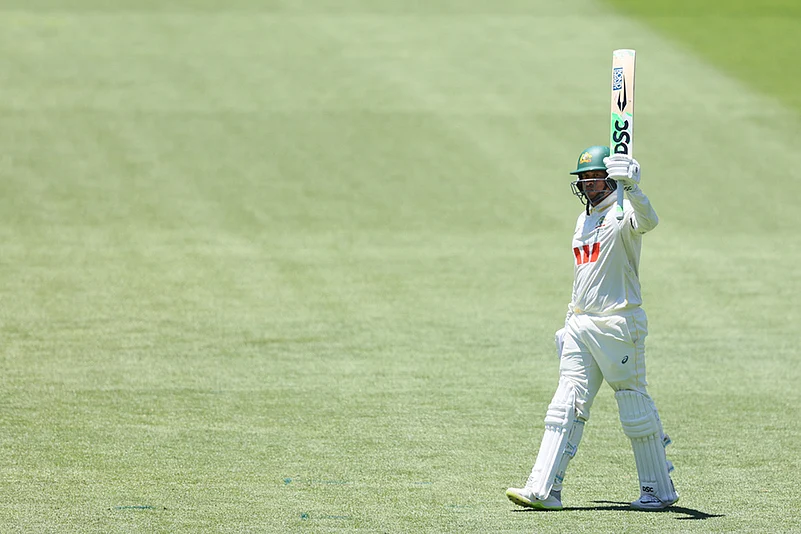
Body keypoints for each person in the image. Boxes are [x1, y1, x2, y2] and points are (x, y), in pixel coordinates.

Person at [505, 146, 678, 511]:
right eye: (581, 178)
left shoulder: (624, 212)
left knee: (632, 402)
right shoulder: (582, 220)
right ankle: (544, 490)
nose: (585, 184)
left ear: (608, 178)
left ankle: (657, 491)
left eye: (592, 177)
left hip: (618, 323)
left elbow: (650, 221)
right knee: (564, 404)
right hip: (581, 324)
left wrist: (633, 188)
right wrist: (570, 320)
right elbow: (583, 277)